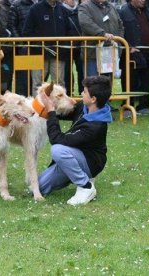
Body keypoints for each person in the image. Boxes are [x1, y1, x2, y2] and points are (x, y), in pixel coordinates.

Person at [38, 75, 113, 206]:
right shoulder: (84, 108)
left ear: (93, 99)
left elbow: (57, 139)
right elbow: (63, 112)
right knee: (39, 188)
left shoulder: (96, 126)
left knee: (57, 150)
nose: (81, 94)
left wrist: (50, 111)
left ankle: (85, 186)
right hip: (73, 156)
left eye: (84, 92)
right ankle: (73, 172)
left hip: (90, 162)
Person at [119, 0, 149, 117]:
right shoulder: (123, 11)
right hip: (131, 54)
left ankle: (143, 106)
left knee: (146, 81)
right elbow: (119, 31)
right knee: (129, 81)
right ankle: (128, 106)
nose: (143, 0)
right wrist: (126, 47)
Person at [22, 0, 73, 95]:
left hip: (58, 55)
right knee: (37, 85)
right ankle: (37, 109)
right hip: (38, 54)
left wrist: (62, 48)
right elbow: (27, 32)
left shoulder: (63, 10)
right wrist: (41, 46)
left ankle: (58, 109)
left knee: (59, 84)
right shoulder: (35, 9)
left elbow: (69, 31)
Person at [78, 0, 124, 77]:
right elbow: (85, 23)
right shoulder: (85, 6)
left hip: (110, 53)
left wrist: (118, 38)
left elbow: (120, 25)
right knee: (92, 84)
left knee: (106, 85)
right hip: (92, 54)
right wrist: (103, 34)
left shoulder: (111, 7)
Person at [7, 0, 37, 96]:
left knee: (36, 79)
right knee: (23, 80)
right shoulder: (16, 5)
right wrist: (21, 43)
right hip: (23, 49)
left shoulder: (40, 4)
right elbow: (11, 25)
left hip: (37, 48)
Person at [63, 0, 84, 94]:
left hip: (80, 45)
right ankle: (68, 93)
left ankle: (83, 93)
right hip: (66, 46)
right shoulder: (61, 9)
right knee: (66, 72)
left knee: (82, 71)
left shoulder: (80, 9)